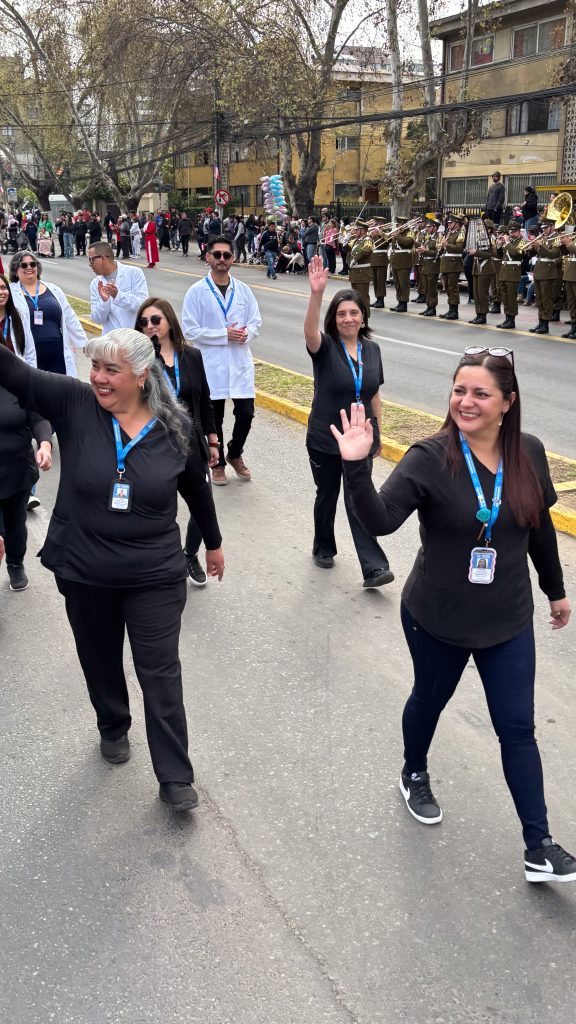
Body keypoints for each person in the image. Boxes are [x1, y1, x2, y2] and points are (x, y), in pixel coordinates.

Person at [331, 348, 575, 883]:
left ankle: (539, 845)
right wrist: (355, 465)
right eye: (459, 390)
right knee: (430, 700)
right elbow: (380, 520)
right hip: (437, 617)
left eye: (481, 393)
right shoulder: (430, 457)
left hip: (508, 618)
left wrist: (555, 591)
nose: (466, 401)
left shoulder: (529, 453)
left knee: (518, 728)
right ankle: (413, 771)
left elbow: (538, 528)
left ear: (507, 403)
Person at [0, 327, 225, 810]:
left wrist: (213, 542)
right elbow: (12, 371)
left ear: (141, 376)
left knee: (160, 672)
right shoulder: (74, 403)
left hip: (154, 574)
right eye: (95, 367)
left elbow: (196, 488)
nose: (98, 378)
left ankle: (175, 776)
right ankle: (113, 723)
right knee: (98, 657)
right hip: (85, 569)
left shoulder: (173, 426)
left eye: (111, 370)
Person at [304, 255, 393, 588]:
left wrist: (378, 432)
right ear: (334, 318)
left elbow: (374, 394)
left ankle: (374, 567)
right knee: (327, 495)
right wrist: (316, 294)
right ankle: (323, 546)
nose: (348, 319)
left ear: (363, 316)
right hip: (325, 437)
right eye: (341, 313)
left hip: (360, 439)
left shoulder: (373, 350)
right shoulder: (325, 347)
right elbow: (310, 332)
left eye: (354, 312)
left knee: (359, 499)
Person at [135, 297, 219, 585]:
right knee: (158, 506)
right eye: (143, 322)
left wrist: (213, 440)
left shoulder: (192, 356)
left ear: (169, 321)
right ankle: (158, 560)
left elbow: (204, 400)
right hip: (155, 444)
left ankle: (190, 554)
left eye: (155, 320)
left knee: (202, 504)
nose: (149, 326)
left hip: (192, 442)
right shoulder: (141, 362)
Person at [182, 235, 262, 486]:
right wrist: (223, 335)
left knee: (246, 414)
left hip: (239, 362)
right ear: (208, 257)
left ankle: (235, 452)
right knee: (214, 419)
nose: (222, 259)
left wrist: (247, 333)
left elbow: (256, 321)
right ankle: (218, 464)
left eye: (226, 255)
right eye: (217, 255)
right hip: (211, 365)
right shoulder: (196, 292)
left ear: (233, 258)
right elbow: (190, 330)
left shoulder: (244, 290)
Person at [0, 275, 52, 591]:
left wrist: (44, 442)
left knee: (15, 524)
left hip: (17, 466)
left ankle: (16, 563)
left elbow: (37, 414)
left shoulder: (18, 381)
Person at [9, 251, 87, 376]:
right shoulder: (10, 293)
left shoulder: (54, 289)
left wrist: (84, 343)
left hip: (57, 354)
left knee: (60, 386)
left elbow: (69, 317)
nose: (29, 267)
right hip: (29, 355)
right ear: (15, 270)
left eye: (33, 264)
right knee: (33, 386)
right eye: (23, 265)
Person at [88, 241, 149, 334]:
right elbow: (97, 319)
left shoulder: (134, 273)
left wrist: (118, 296)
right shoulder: (95, 284)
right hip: (112, 339)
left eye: (91, 260)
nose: (90, 264)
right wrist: (105, 302)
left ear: (103, 258)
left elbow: (143, 305)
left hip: (135, 336)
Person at [528, 217, 559, 335]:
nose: (544, 230)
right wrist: (532, 248)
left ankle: (545, 324)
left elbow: (553, 255)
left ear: (552, 227)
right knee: (539, 299)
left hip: (548, 272)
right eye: (543, 228)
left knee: (546, 299)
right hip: (539, 271)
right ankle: (540, 321)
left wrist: (541, 245)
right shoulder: (543, 238)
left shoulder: (556, 238)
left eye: (546, 228)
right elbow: (532, 255)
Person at [496, 221, 525, 330]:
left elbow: (515, 253)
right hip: (504, 271)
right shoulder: (509, 242)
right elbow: (500, 256)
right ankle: (507, 317)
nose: (512, 234)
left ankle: (512, 319)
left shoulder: (521, 241)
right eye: (511, 232)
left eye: (514, 232)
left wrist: (507, 243)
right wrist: (499, 245)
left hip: (513, 272)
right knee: (505, 297)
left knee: (511, 297)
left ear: (519, 232)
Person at [468, 219, 496, 325]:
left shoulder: (491, 239)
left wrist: (476, 252)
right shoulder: (478, 239)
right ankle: (478, 313)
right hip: (476, 267)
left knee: (482, 293)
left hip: (486, 268)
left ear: (489, 229)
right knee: (476, 293)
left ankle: (483, 315)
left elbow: (492, 254)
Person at [439, 213, 466, 320]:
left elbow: (459, 249)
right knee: (447, 288)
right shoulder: (449, 233)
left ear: (457, 224)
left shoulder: (460, 233)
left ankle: (454, 311)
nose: (448, 224)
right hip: (446, 263)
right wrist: (441, 246)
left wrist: (446, 244)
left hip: (454, 263)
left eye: (451, 223)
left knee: (452, 288)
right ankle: (450, 309)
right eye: (448, 223)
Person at [347, 221, 373, 319]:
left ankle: (365, 316)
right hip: (354, 272)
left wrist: (355, 259)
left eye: (357, 230)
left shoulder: (367, 240)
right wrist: (346, 239)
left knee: (363, 296)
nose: (355, 231)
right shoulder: (356, 240)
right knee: (355, 297)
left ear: (363, 231)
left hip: (362, 272)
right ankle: (357, 314)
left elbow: (366, 250)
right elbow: (346, 249)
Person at [389, 218, 415, 314]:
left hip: (404, 262)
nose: (397, 226)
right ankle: (399, 301)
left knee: (404, 284)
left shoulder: (409, 232)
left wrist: (398, 237)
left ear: (403, 224)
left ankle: (404, 303)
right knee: (397, 284)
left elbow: (408, 242)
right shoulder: (397, 232)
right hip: (396, 262)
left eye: (399, 224)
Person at [416, 218, 441, 316]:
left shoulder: (438, 237)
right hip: (426, 265)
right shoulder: (429, 237)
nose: (427, 228)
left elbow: (437, 253)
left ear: (435, 227)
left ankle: (432, 308)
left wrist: (425, 251)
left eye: (429, 227)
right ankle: (428, 306)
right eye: (427, 226)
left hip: (432, 266)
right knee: (426, 288)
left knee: (431, 289)